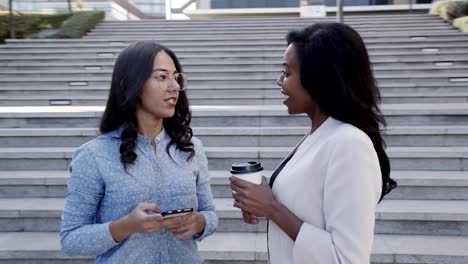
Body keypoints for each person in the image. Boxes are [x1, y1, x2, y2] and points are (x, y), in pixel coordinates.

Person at [230, 23, 397, 264]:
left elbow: (346, 259)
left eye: (287, 73)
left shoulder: (350, 144)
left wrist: (272, 208)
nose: (279, 81)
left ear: (319, 78)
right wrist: (261, 198)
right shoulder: (319, 136)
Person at [60, 41, 218, 263]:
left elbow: (210, 213)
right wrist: (125, 226)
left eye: (176, 77)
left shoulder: (192, 149)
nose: (174, 86)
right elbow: (70, 240)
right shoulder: (94, 155)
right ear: (130, 84)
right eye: (162, 77)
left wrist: (200, 222)